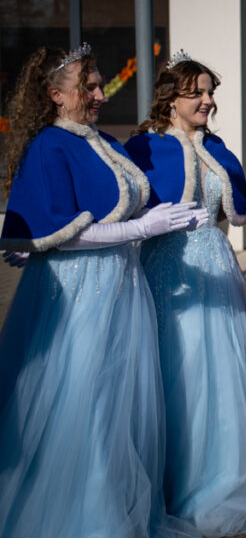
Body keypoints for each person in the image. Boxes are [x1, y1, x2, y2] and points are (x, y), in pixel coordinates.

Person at [0, 45, 205, 538]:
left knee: (116, 408)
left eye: (97, 85)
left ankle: (113, 510)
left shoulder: (97, 140)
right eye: (87, 87)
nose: (98, 94)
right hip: (78, 297)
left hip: (119, 288)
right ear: (55, 95)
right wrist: (142, 229)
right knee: (86, 406)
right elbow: (64, 232)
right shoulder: (52, 144)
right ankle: (85, 521)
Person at [124, 52, 246, 535]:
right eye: (196, 92)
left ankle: (221, 474)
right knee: (177, 373)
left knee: (222, 374)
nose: (207, 100)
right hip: (168, 272)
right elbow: (124, 210)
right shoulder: (144, 147)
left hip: (218, 268)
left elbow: (240, 211)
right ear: (170, 97)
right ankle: (173, 479)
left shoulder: (216, 146)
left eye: (209, 91)